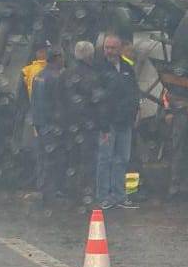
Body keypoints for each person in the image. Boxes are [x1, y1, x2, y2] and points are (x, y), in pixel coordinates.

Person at [92, 31, 141, 211]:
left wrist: (136, 112)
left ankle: (120, 196)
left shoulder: (128, 69)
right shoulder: (99, 69)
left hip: (125, 122)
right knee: (105, 159)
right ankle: (103, 197)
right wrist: (103, 125)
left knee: (122, 159)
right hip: (108, 124)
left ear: (120, 48)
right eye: (107, 47)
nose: (109, 51)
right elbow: (97, 99)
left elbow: (134, 92)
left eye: (113, 48)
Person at [28, 46, 65, 203]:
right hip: (52, 124)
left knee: (42, 157)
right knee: (52, 159)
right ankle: (50, 193)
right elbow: (58, 103)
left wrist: (37, 122)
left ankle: (42, 189)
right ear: (57, 59)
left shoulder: (38, 76)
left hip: (40, 123)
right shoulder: (55, 77)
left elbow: (34, 101)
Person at [64, 41, 98, 204]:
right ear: (90, 55)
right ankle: (86, 193)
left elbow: (60, 98)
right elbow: (95, 99)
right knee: (87, 160)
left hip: (70, 124)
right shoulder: (91, 74)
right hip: (87, 124)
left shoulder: (67, 72)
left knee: (72, 159)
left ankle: (71, 192)